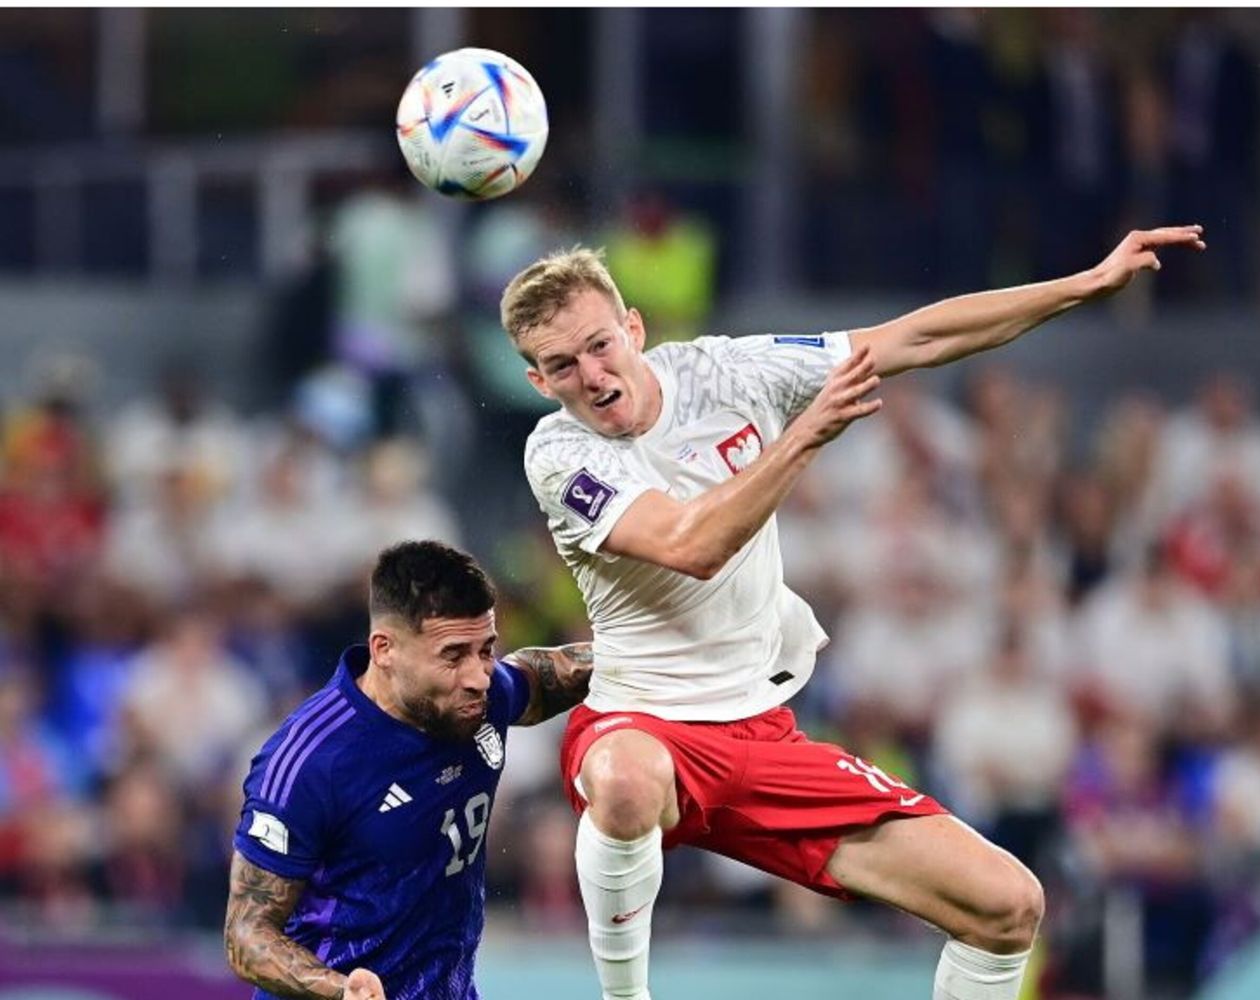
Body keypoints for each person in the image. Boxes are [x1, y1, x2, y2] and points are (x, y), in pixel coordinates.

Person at [505, 225, 1205, 1000]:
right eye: (563, 366)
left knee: (1008, 906)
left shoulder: (726, 372)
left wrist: (1081, 285)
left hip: (761, 734)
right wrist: (804, 436)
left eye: (602, 346)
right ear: (540, 382)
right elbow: (689, 543)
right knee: (627, 781)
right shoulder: (559, 455)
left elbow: (919, 336)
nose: (593, 376)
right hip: (642, 723)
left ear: (633, 328)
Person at [223, 540, 593, 1000]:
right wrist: (339, 991)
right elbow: (246, 936)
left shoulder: (480, 696)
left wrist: (648, 661)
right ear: (385, 650)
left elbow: (541, 673)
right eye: (454, 655)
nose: (478, 675)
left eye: (486, 649)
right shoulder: (310, 761)